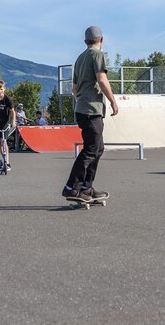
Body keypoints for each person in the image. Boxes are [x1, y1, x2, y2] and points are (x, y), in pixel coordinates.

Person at [62, 25, 118, 202]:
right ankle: (71, 187)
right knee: (91, 149)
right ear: (101, 40)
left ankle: (86, 188)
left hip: (82, 108)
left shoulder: (79, 59)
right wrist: (113, 101)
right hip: (91, 110)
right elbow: (102, 79)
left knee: (98, 149)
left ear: (85, 41)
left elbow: (74, 89)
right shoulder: (98, 55)